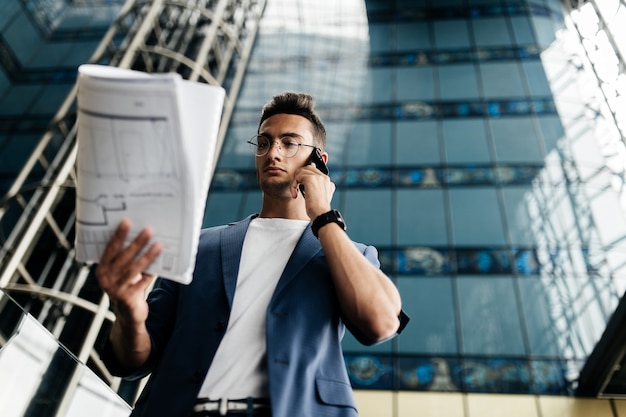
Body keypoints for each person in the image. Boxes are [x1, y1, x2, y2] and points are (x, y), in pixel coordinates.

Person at [96, 92, 409, 417]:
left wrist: (323, 215)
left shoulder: (348, 254)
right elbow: (134, 361)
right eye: (263, 142)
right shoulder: (200, 246)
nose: (272, 153)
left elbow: (380, 324)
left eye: (289, 143)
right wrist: (129, 313)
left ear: (318, 161)